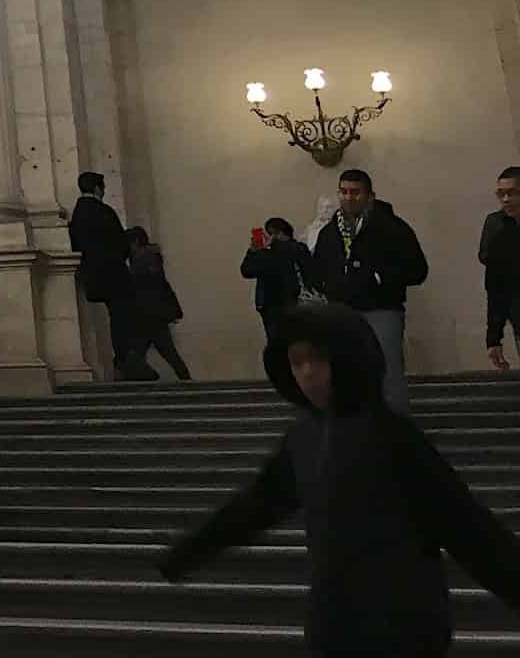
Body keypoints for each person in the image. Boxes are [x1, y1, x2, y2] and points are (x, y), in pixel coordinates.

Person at [160, 301, 520, 656]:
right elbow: (256, 505)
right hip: (335, 627)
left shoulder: (392, 437)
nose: (307, 372)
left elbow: (467, 527)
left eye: (318, 358)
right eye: (296, 362)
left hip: (402, 628)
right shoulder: (303, 440)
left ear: (348, 356)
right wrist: (191, 551)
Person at [310, 169, 428, 413]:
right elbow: (318, 269)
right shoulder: (328, 233)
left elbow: (418, 270)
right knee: (342, 376)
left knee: (387, 375)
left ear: (370, 196)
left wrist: (379, 277)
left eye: (355, 192)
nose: (348, 198)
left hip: (381, 310)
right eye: (343, 192)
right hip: (340, 312)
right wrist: (327, 288)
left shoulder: (392, 228)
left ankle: (396, 437)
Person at [69, 171, 151, 381]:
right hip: (114, 274)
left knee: (119, 317)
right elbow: (120, 243)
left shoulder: (78, 213)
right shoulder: (103, 211)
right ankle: (125, 361)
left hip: (93, 276)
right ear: (98, 188)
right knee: (124, 317)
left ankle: (125, 361)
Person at [126, 225, 192, 381]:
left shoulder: (142, 262)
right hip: (154, 315)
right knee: (166, 353)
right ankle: (186, 381)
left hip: (149, 316)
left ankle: (154, 377)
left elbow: (143, 288)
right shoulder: (151, 260)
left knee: (135, 353)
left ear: (135, 242)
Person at [242, 216, 316, 336]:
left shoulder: (296, 248)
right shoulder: (266, 253)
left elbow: (305, 268)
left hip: (292, 306)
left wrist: (274, 245)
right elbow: (246, 270)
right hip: (269, 308)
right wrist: (253, 251)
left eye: (272, 234)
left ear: (281, 233)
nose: (269, 238)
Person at [480, 166, 520, 370]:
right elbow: (495, 285)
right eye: (501, 194)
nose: (505, 199)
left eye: (512, 193)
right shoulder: (496, 225)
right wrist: (493, 338)